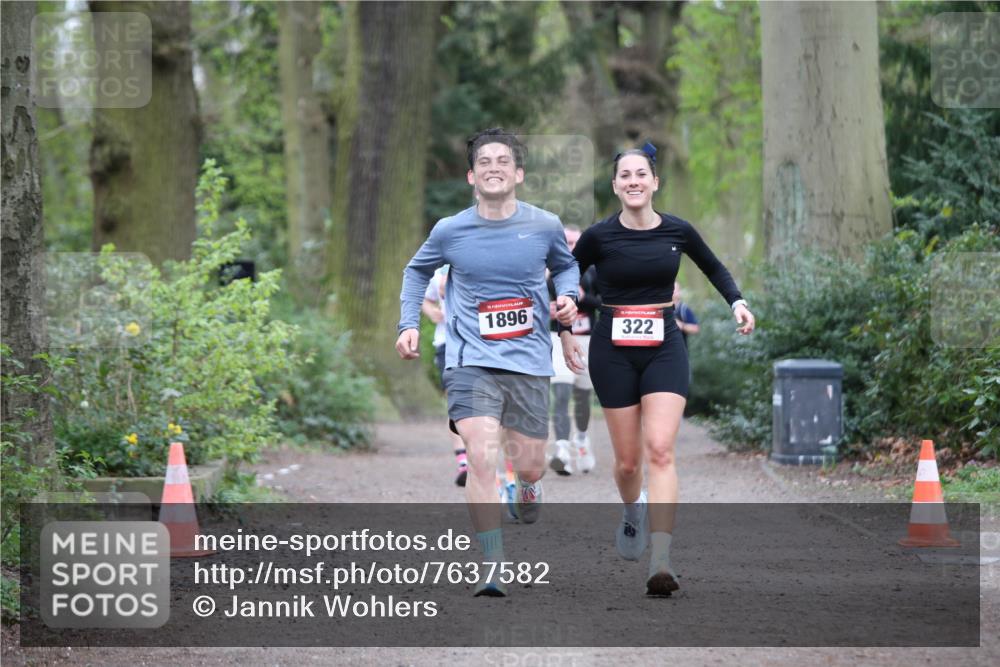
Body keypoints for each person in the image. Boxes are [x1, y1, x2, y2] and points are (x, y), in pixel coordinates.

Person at [560, 143, 754, 596]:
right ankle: (633, 513)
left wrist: (738, 303)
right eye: (624, 175)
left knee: (661, 449)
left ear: (654, 182)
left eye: (641, 174)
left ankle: (661, 561)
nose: (633, 181)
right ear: (615, 186)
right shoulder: (598, 236)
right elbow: (566, 277)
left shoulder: (678, 231)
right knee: (628, 463)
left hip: (665, 344)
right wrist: (564, 327)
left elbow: (714, 268)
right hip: (612, 348)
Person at [397, 128, 580, 597]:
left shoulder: (543, 225)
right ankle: (493, 564)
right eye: (484, 162)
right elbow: (416, 271)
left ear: (518, 173)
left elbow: (565, 266)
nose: (493, 167)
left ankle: (530, 489)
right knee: (481, 455)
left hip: (527, 360)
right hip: (469, 358)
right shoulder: (450, 230)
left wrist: (567, 297)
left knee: (531, 465)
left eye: (503, 160)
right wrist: (408, 323)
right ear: (471, 176)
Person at [548, 225, 599, 475]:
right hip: (557, 338)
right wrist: (547, 309)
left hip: (586, 340)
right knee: (560, 393)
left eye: (574, 243)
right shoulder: (550, 272)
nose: (570, 247)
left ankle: (581, 440)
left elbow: (605, 301)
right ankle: (561, 450)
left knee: (582, 396)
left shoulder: (593, 270)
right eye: (566, 242)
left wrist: (583, 298)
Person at [421, 266, 469, 487]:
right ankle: (463, 462)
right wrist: (431, 311)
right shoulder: (439, 271)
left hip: (480, 343)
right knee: (455, 401)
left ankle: (484, 456)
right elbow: (424, 297)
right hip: (446, 343)